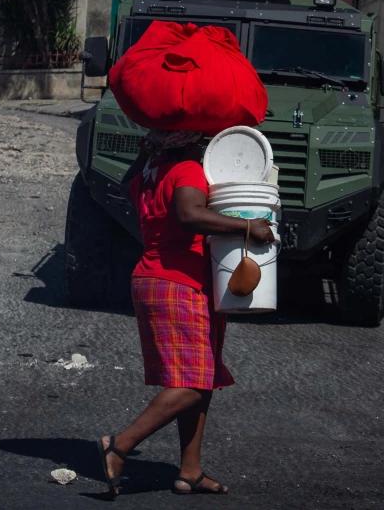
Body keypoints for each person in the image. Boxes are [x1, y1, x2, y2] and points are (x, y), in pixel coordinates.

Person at [96, 129, 274, 497]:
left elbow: (135, 190)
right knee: (195, 381)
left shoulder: (149, 172)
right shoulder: (187, 169)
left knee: (199, 380)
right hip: (179, 281)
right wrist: (247, 226)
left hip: (156, 277)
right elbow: (189, 214)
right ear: (194, 140)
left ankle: (190, 470)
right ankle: (119, 445)